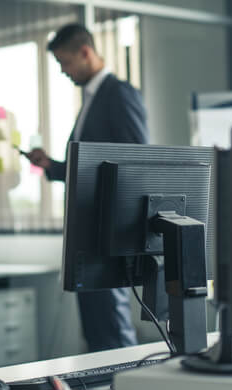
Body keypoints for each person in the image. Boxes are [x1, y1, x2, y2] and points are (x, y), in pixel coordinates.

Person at [27, 23, 149, 352]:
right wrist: (52, 166)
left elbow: (134, 160)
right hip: (88, 229)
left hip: (106, 230)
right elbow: (92, 164)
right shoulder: (93, 99)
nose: (63, 71)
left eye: (64, 62)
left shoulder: (118, 93)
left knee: (110, 324)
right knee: (96, 324)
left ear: (85, 52)